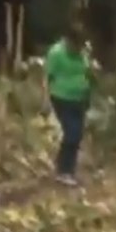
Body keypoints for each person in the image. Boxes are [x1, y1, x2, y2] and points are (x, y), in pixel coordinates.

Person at [44, 26, 94, 186]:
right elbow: (47, 77)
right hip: (61, 97)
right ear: (68, 41)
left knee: (77, 135)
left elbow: (87, 73)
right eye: (75, 44)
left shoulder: (82, 53)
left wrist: (89, 91)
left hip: (80, 99)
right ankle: (63, 171)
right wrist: (45, 99)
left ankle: (67, 169)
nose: (77, 48)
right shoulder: (56, 53)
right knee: (72, 133)